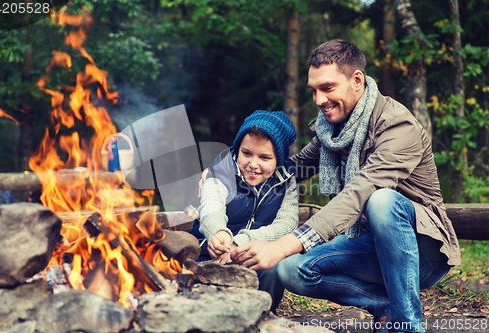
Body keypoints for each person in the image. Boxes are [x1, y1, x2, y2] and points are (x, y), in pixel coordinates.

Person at [229, 40, 461, 333]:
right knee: (291, 269)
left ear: (357, 80)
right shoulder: (332, 130)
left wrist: (285, 243)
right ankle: (385, 307)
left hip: (423, 251)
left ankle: (406, 326)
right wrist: (225, 172)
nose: (318, 99)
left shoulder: (398, 127)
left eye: (327, 88)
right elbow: (295, 167)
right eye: (313, 90)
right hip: (368, 244)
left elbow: (359, 193)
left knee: (381, 201)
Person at [189, 110, 299, 312]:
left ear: (279, 159)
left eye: (265, 157)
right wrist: (219, 234)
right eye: (246, 153)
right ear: (237, 150)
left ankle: (264, 313)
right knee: (193, 270)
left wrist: (240, 242)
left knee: (273, 268)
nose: (253, 165)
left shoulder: (285, 180)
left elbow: (287, 223)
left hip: (253, 253)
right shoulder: (220, 172)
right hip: (211, 250)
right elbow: (211, 205)